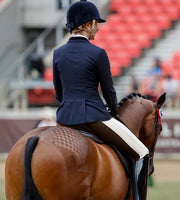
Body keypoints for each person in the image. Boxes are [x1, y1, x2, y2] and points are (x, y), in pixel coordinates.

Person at [53, 1, 149, 199]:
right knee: (142, 152)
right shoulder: (97, 53)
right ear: (88, 25)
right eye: (96, 23)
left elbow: (59, 94)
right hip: (93, 117)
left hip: (64, 117)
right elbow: (109, 92)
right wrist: (113, 111)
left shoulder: (57, 53)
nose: (98, 28)